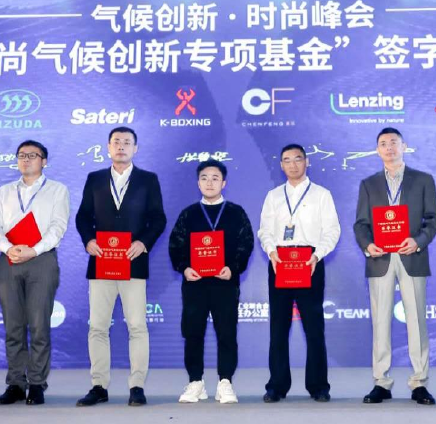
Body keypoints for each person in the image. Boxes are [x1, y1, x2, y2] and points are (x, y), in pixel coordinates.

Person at [75, 127, 167, 407]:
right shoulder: (95, 178)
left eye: (127, 142)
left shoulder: (148, 179)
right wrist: (88, 240)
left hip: (133, 262)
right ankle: (99, 386)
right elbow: (82, 217)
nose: (122, 146)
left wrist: (143, 243)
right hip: (101, 262)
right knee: (98, 327)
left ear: (135, 148)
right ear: (108, 147)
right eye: (117, 142)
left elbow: (158, 219)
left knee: (137, 326)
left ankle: (137, 386)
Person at [354, 128, 436, 405]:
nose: (389, 147)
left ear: (404, 146)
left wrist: (418, 241)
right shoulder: (369, 184)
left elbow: (433, 219)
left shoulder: (423, 180)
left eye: (394, 142)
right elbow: (361, 224)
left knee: (416, 321)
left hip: (411, 256)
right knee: (380, 321)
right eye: (383, 143)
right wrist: (368, 245)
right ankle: (381, 382)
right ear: (377, 150)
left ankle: (419, 382)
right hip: (380, 259)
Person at [0, 140, 69, 405]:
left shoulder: (57, 190)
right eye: (22, 155)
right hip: (9, 259)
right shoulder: (5, 191)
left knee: (38, 325)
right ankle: (15, 383)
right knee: (13, 326)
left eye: (33, 155)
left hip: (41, 260)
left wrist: (34, 250)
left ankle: (36, 383)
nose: (26, 159)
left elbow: (58, 227)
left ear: (44, 161)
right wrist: (8, 248)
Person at [257, 143, 340, 403]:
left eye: (297, 159)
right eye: (287, 160)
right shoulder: (273, 196)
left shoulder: (322, 194)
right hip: (280, 262)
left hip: (310, 262)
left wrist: (318, 254)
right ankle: (276, 385)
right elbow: (264, 230)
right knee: (278, 328)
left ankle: (319, 386)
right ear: (281, 165)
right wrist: (271, 251)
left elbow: (332, 231)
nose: (293, 164)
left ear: (307, 162)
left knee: (314, 328)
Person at [169, 160, 254, 404]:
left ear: (224, 183)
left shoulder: (236, 213)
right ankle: (195, 381)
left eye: (215, 178)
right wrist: (184, 268)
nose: (209, 182)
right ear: (198, 183)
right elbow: (175, 245)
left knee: (226, 333)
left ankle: (225, 382)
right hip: (194, 284)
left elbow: (246, 243)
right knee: (193, 332)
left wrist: (233, 268)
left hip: (225, 283)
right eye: (204, 178)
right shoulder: (189, 214)